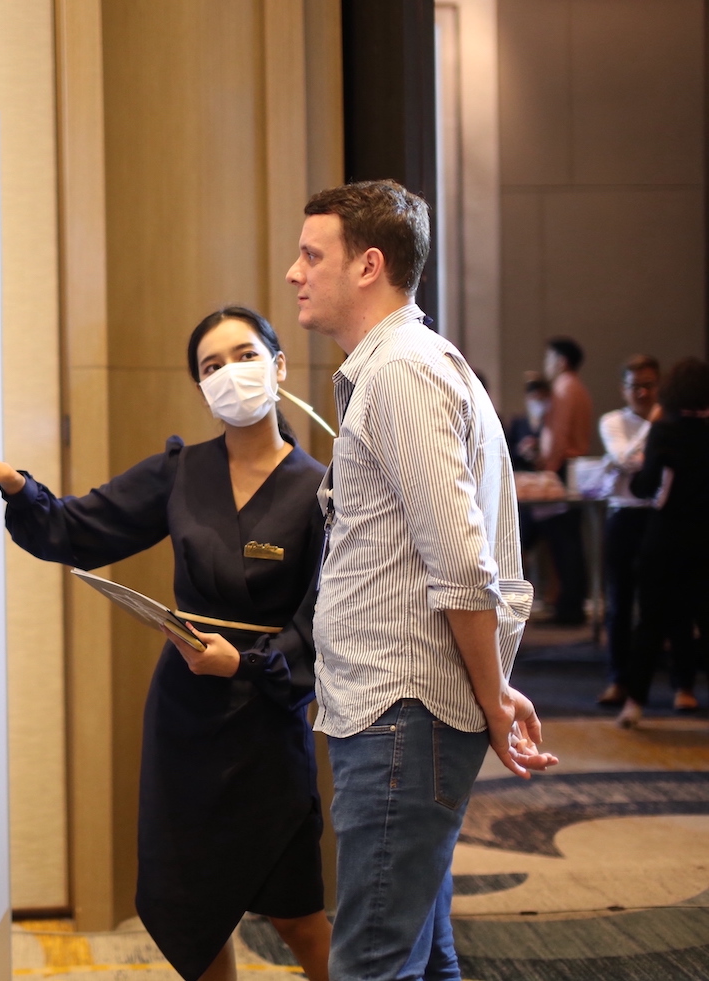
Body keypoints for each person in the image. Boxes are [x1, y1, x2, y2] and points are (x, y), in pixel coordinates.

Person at [0, 307, 332, 981]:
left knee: (298, 914)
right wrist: (14, 483)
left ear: (279, 365)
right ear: (200, 389)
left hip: (268, 714)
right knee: (195, 913)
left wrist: (246, 661)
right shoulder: (180, 471)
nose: (230, 374)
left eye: (244, 356)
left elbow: (326, 619)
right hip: (185, 719)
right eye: (211, 366)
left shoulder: (321, 489)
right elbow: (77, 527)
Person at [285, 179, 557, 981]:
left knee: (373, 963)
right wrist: (490, 686)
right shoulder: (404, 366)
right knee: (422, 958)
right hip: (404, 713)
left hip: (402, 717)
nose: (295, 273)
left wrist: (493, 697)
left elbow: (462, 566)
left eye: (311, 255)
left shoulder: (403, 371)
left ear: (369, 265)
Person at [617, 357, 709, 727]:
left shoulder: (665, 431)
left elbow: (645, 485)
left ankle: (634, 704)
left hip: (666, 536)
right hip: (705, 538)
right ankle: (686, 688)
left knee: (651, 622)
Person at [597, 355, 660, 707]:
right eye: (635, 386)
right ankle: (618, 679)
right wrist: (654, 424)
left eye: (649, 385)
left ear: (659, 386)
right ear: (623, 389)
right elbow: (626, 459)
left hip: (658, 517)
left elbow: (633, 463)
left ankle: (656, 684)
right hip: (623, 516)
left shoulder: (669, 422)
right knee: (619, 603)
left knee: (657, 604)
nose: (642, 392)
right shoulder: (613, 421)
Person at [536, 336, 594, 624]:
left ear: (561, 361)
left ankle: (568, 607)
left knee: (563, 541)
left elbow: (558, 437)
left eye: (549, 358)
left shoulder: (563, 388)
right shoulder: (577, 387)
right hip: (573, 467)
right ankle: (571, 604)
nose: (545, 364)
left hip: (561, 468)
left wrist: (548, 471)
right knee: (569, 538)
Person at [506, 374, 552, 472]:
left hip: (545, 474)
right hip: (521, 474)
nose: (537, 403)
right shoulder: (517, 424)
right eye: (533, 399)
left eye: (541, 399)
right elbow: (507, 455)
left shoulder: (550, 426)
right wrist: (521, 449)